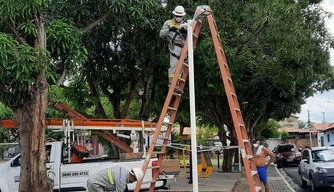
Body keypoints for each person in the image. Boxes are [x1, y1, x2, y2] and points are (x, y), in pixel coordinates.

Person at [159, 5, 188, 94]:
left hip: (184, 47)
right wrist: (170, 30)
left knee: (181, 69)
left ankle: (177, 85)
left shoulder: (186, 24)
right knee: (174, 66)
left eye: (180, 16)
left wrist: (185, 32)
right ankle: (172, 85)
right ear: (174, 15)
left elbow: (189, 37)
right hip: (174, 47)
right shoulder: (168, 23)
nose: (178, 18)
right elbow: (161, 34)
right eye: (177, 16)